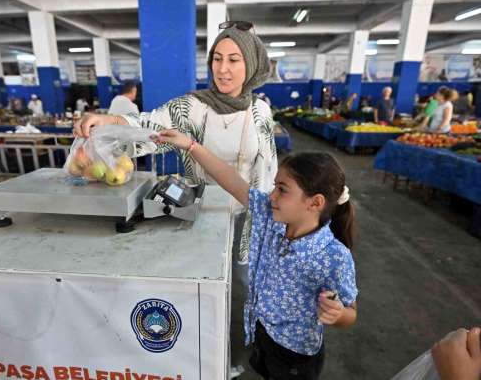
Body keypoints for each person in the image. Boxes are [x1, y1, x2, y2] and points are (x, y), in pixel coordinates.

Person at [156, 131, 358, 380]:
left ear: (315, 203)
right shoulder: (273, 220)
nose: (271, 196)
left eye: (282, 190)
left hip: (295, 357)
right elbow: (230, 178)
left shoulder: (334, 257)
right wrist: (190, 145)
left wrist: (338, 314)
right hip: (261, 333)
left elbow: (350, 313)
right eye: (274, 186)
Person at [76, 21, 277, 260]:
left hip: (247, 219)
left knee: (241, 284)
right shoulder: (192, 107)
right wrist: (107, 121)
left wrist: (268, 223)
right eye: (217, 59)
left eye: (233, 60)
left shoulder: (260, 112)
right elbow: (149, 124)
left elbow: (267, 171)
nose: (222, 69)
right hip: (201, 213)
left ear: (251, 64)